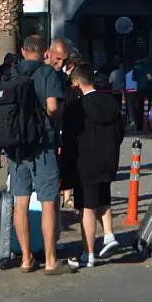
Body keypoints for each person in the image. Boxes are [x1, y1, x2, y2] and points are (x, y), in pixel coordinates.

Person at [5, 35, 73, 275]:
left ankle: (25, 259)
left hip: (16, 146)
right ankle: (52, 260)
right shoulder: (48, 74)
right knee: (48, 201)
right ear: (45, 52)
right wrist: (58, 114)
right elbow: (53, 106)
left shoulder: (10, 74)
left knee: (20, 202)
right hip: (43, 144)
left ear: (23, 51)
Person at [63, 63, 123, 268]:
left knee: (86, 208)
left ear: (77, 82)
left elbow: (70, 139)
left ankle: (87, 253)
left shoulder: (76, 108)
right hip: (108, 160)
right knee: (103, 200)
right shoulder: (111, 102)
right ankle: (109, 235)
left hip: (85, 162)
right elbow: (120, 132)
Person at [131, 52, 152, 128]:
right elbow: (149, 77)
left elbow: (133, 78)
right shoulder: (147, 64)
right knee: (146, 108)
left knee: (139, 107)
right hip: (147, 88)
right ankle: (145, 125)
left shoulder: (136, 65)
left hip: (139, 88)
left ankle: (139, 124)